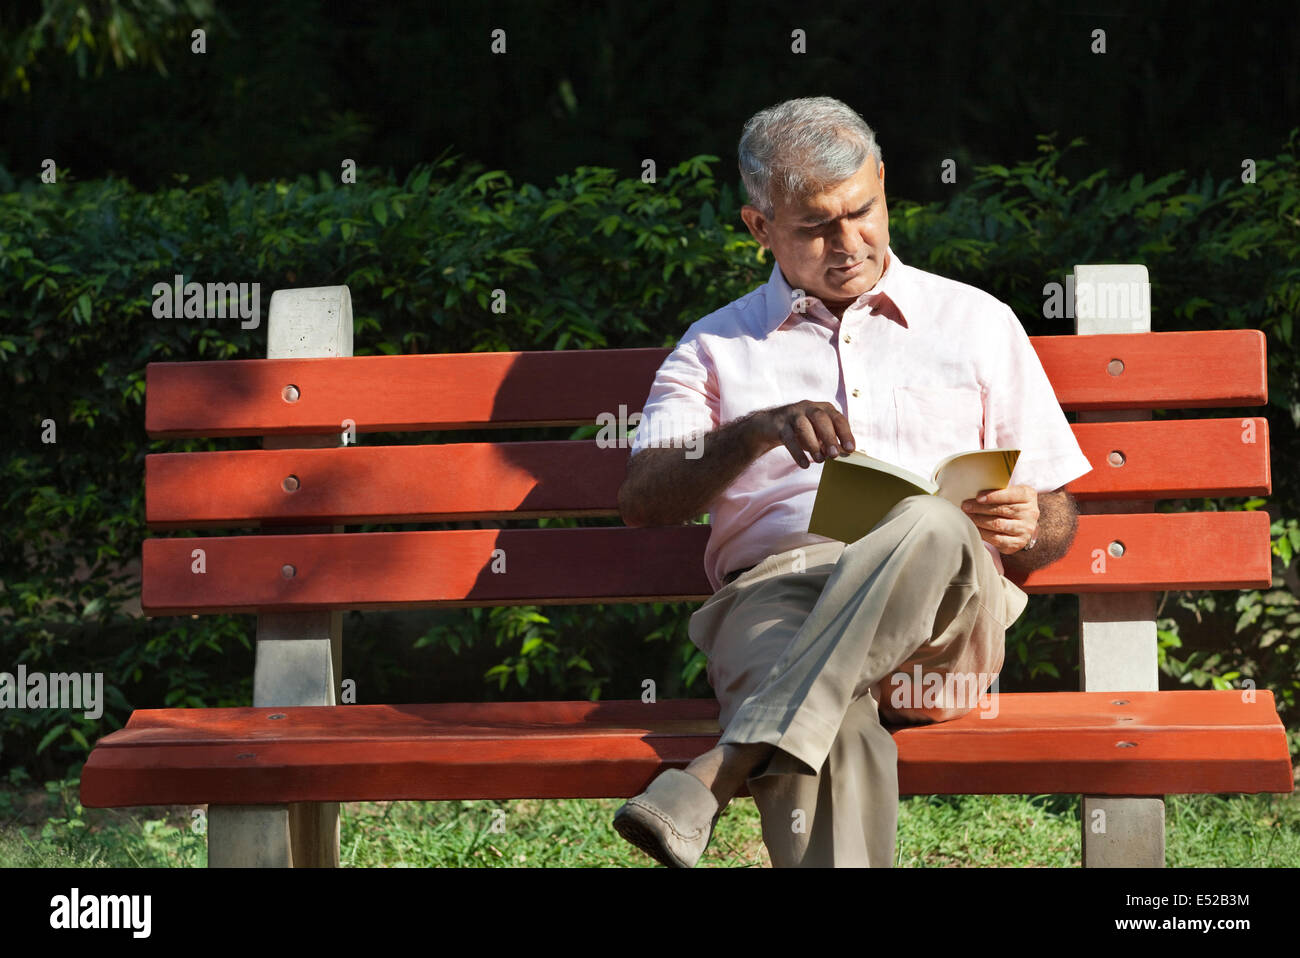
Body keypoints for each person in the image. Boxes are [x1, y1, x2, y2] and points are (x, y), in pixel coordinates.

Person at [611, 96, 1093, 867]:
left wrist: (1030, 522)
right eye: (814, 227)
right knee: (838, 732)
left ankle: (721, 768)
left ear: (883, 188)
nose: (848, 242)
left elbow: (1058, 520)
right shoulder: (717, 345)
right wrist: (756, 429)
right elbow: (645, 500)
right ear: (759, 227)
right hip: (778, 600)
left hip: (943, 628)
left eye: (862, 212)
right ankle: (759, 744)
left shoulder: (976, 322)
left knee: (931, 521)